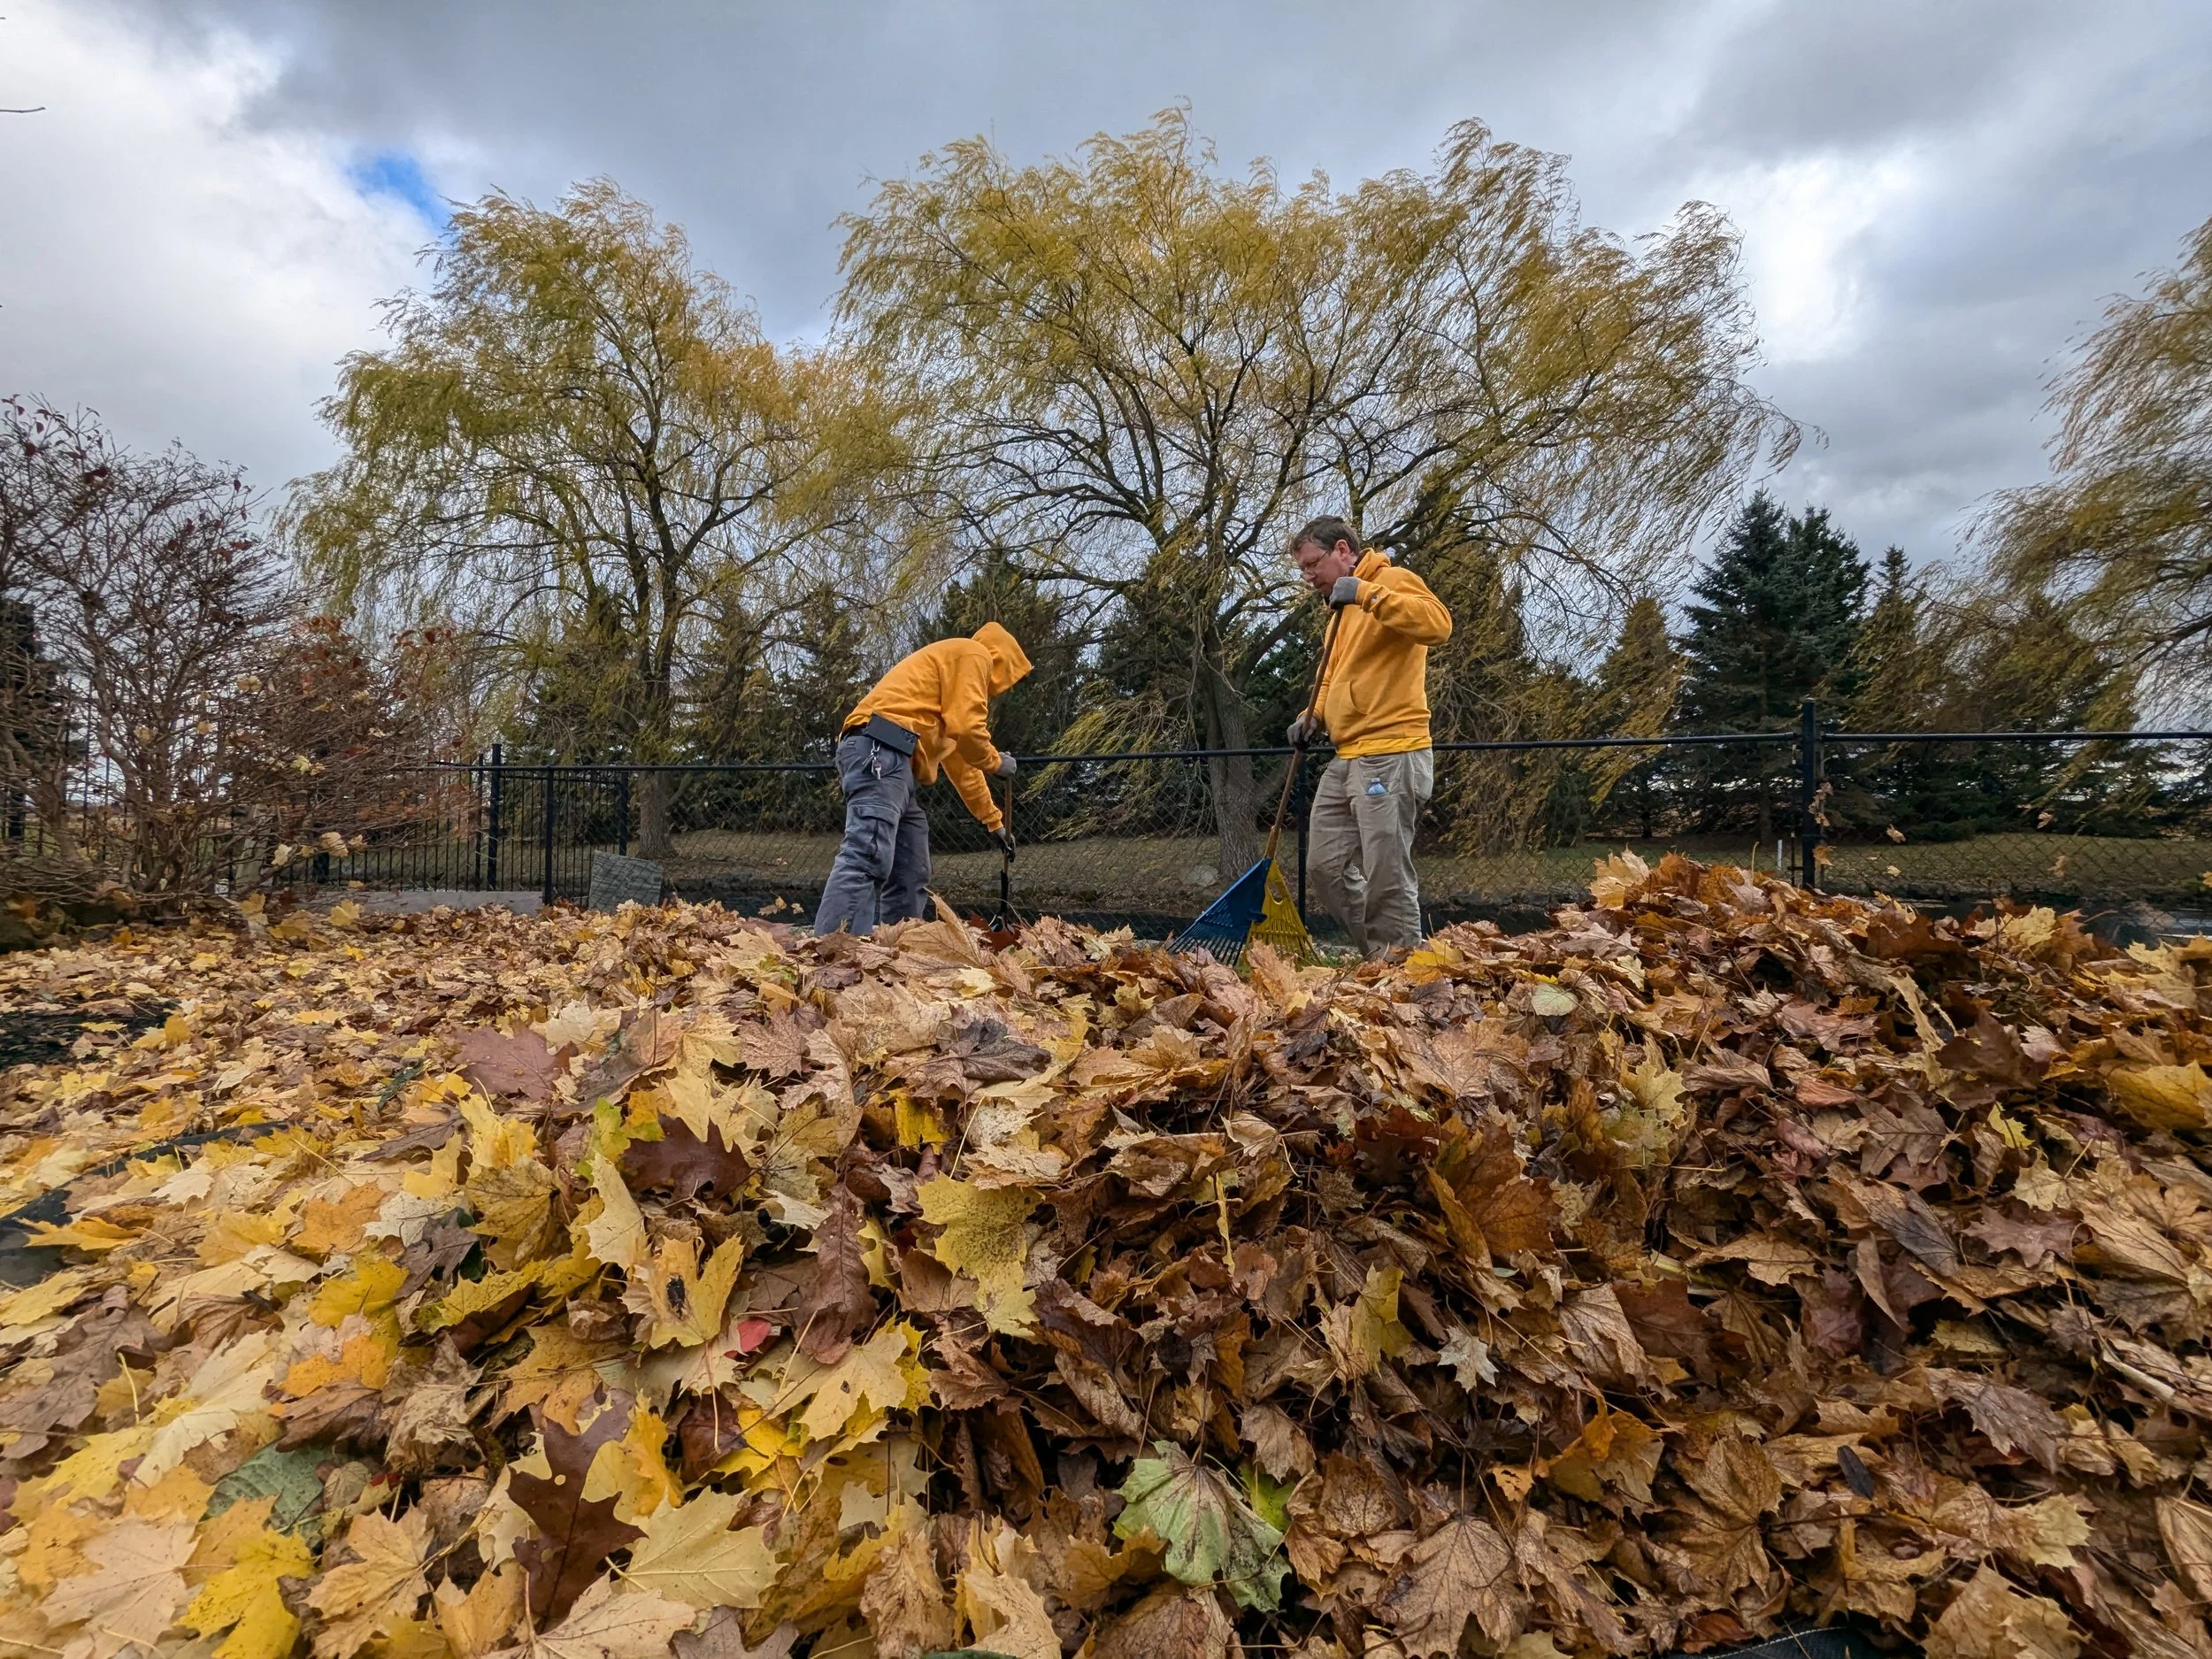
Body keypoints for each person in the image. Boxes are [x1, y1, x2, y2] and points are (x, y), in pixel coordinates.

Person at [1286, 515, 1453, 956]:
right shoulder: (1337, 616)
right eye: (1302, 570)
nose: (1309, 578)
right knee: (1325, 867)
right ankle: (1382, 960)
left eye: (1311, 565)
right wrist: (1312, 716)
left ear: (1342, 550)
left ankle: (1400, 977)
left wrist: (1367, 593)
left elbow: (1438, 624)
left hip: (1393, 751)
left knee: (1386, 872)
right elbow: (1331, 678)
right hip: (1348, 755)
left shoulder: (1393, 581)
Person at [814, 621, 1032, 935]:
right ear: (1004, 662)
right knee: (868, 852)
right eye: (1011, 678)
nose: (1006, 687)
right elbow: (969, 730)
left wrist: (994, 822)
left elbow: (963, 764)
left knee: (910, 868)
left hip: (896, 768)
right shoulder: (974, 654)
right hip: (880, 750)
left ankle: (898, 951)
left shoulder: (953, 685)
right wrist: (997, 763)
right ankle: (835, 955)